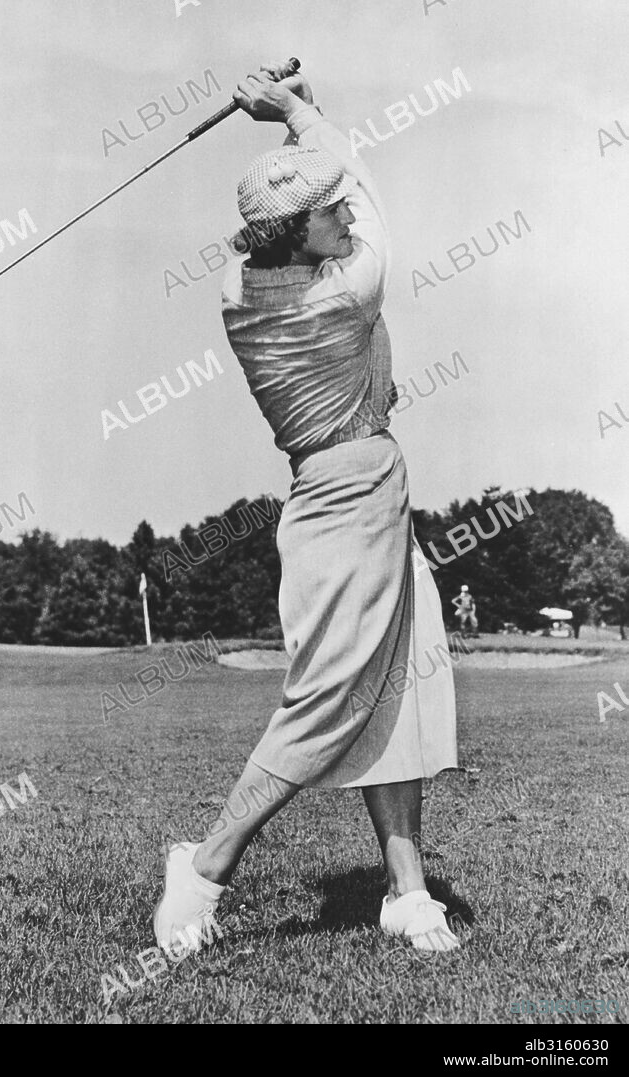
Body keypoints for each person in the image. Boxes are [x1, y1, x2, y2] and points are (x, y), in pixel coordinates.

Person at [153, 63, 459, 954]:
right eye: (329, 212)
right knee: (325, 702)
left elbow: (328, 191)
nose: (347, 216)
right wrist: (294, 112)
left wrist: (295, 133)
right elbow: (365, 186)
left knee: (402, 678)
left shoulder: (240, 292)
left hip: (358, 498)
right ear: (297, 231)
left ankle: (405, 890)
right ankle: (205, 867)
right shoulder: (345, 288)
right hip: (346, 504)